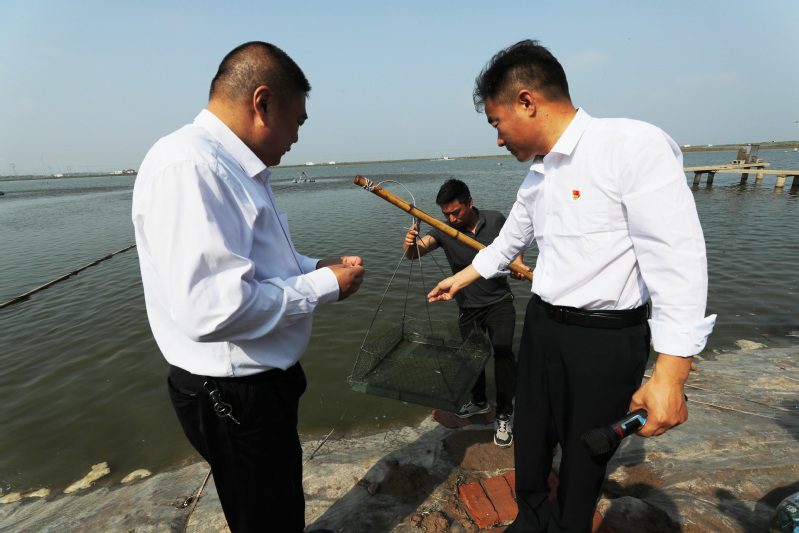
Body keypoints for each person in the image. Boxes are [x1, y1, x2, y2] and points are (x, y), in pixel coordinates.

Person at [428, 40, 716, 532]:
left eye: (497, 123)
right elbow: (507, 242)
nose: (498, 139)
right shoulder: (538, 175)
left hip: (606, 338)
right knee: (530, 438)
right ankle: (530, 519)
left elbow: (677, 260)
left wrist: (671, 375)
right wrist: (460, 277)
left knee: (585, 456)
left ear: (527, 101)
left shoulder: (631, 145)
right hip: (544, 327)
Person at [131, 41, 364, 533]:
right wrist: (324, 286)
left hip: (261, 386)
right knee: (264, 516)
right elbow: (211, 309)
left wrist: (314, 265)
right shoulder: (192, 166)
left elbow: (256, 261)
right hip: (233, 394)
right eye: (297, 121)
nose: (297, 138)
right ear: (263, 103)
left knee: (279, 497)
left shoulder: (238, 166)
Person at [403, 179, 527, 447]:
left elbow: (513, 247)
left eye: (455, 212)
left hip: (499, 302)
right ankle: (479, 402)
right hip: (467, 306)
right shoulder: (444, 230)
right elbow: (414, 254)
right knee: (472, 357)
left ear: (470, 202)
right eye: (446, 214)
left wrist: (518, 265)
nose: (451, 218)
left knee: (503, 354)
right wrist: (410, 243)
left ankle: (504, 414)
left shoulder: (495, 220)